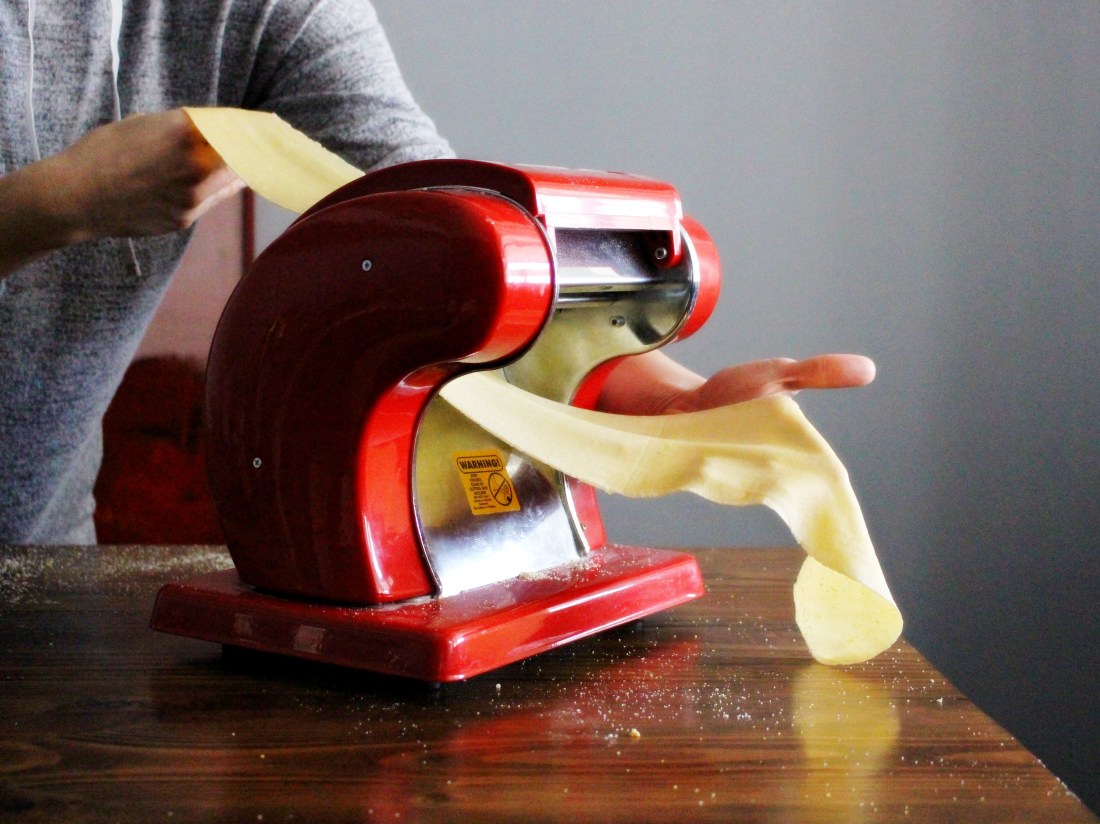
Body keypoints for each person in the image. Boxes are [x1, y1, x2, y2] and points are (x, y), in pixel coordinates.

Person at [0, 0, 872, 545]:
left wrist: (670, 402)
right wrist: (61, 200)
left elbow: (457, 233)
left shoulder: (264, 9)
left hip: (46, 558)